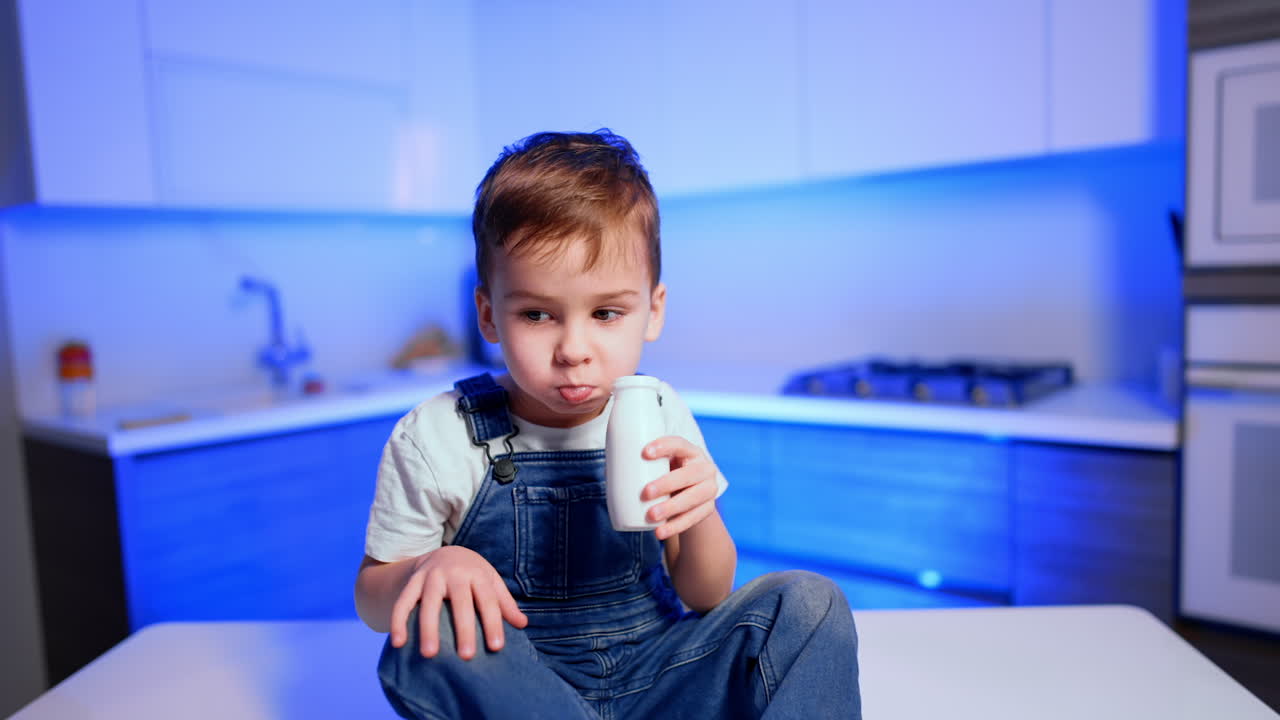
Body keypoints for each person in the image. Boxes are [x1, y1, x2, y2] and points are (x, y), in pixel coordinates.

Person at [355, 129, 861, 719]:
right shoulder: (436, 435)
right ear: (490, 315)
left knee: (809, 603)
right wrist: (427, 568)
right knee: (426, 627)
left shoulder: (661, 412)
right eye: (537, 314)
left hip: (661, 674)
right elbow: (371, 599)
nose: (574, 348)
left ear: (653, 311)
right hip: (519, 690)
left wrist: (697, 516)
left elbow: (707, 594)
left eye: (606, 313)